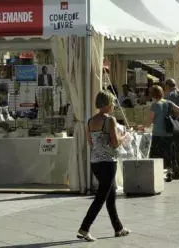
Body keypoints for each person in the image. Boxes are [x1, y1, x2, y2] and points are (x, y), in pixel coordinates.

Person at [76, 91, 130, 242]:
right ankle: (84, 228)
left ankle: (118, 228)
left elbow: (90, 143)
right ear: (107, 104)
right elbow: (115, 143)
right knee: (101, 198)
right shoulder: (110, 120)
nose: (113, 105)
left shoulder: (89, 121)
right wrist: (124, 135)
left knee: (110, 195)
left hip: (95, 163)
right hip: (108, 162)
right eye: (112, 102)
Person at [147, 85, 179, 182]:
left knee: (156, 154)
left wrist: (142, 126)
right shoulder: (168, 102)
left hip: (158, 133)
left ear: (153, 94)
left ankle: (157, 173)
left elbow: (150, 120)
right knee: (169, 154)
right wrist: (173, 118)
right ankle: (169, 173)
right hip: (168, 133)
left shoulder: (155, 105)